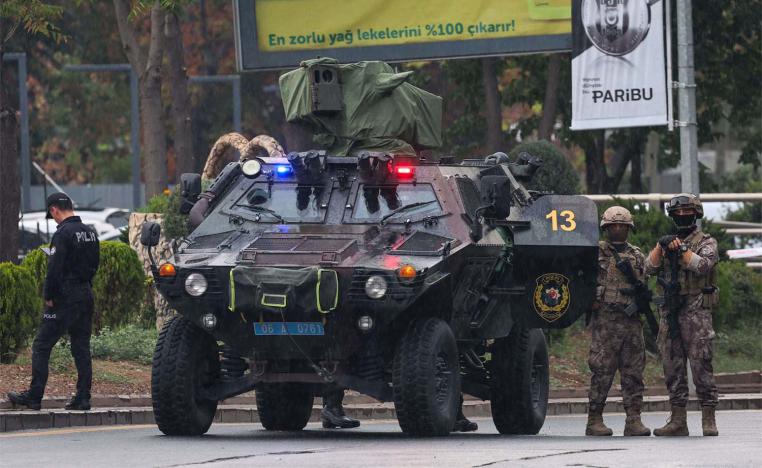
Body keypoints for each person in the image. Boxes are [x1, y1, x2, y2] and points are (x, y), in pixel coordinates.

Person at [8, 193, 100, 411]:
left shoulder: (63, 234)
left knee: (41, 345)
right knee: (81, 347)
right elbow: (95, 264)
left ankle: (34, 396)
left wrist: (49, 295)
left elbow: (54, 269)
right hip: (85, 294)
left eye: (53, 215)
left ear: (54, 210)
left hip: (64, 297)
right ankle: (83, 397)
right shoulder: (90, 233)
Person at [646, 193, 719, 436]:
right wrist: (661, 245)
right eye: (678, 213)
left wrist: (683, 249)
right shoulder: (668, 243)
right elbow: (649, 268)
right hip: (671, 312)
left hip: (696, 312)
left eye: (687, 212)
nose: (682, 216)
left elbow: (703, 266)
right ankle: (678, 420)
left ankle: (708, 419)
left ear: (696, 214)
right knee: (672, 367)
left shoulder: (706, 242)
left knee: (701, 365)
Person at [586, 206, 651, 437]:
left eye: (622, 226)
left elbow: (644, 281)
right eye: (613, 226)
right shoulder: (596, 253)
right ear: (605, 228)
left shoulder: (636, 255)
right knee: (602, 371)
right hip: (606, 320)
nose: (617, 229)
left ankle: (633, 420)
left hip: (632, 321)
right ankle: (594, 420)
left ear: (628, 228)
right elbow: (582, 282)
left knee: (633, 372)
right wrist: (591, 300)